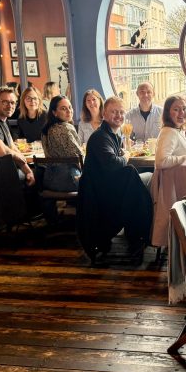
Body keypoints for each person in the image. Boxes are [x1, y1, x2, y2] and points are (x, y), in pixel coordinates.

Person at [78, 96, 153, 259]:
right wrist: (125, 156)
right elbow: (113, 163)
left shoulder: (112, 135)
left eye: (121, 112)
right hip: (101, 193)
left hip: (106, 186)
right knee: (146, 179)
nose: (119, 115)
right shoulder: (100, 137)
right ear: (104, 114)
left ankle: (137, 234)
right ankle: (140, 235)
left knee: (137, 179)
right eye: (114, 112)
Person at [41, 95, 83, 192]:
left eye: (70, 107)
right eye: (63, 109)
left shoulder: (46, 130)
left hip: (49, 180)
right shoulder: (66, 128)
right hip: (69, 180)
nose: (69, 111)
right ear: (54, 112)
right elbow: (78, 156)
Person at [155, 95, 186, 169]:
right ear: (168, 113)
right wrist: (184, 158)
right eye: (176, 109)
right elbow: (160, 162)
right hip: (170, 180)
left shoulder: (178, 129)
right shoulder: (169, 132)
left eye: (184, 108)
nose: (182, 112)